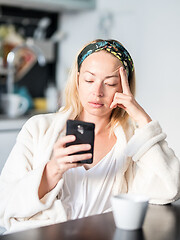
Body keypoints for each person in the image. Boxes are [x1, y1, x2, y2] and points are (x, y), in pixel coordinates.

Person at [0, 39, 180, 234]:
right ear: (77, 80)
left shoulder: (133, 140)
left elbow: (169, 190)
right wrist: (52, 170)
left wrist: (142, 119)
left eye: (110, 83)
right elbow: (5, 205)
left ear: (124, 87)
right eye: (89, 80)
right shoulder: (38, 129)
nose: (97, 92)